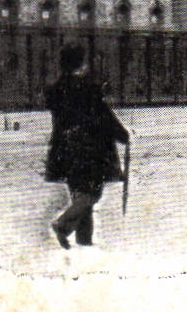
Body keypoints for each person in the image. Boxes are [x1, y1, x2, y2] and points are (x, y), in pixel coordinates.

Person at [45, 43, 129, 249]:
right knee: (91, 194)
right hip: (90, 150)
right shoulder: (88, 89)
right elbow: (104, 117)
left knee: (79, 193)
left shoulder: (56, 89)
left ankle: (83, 242)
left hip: (64, 148)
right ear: (81, 64)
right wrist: (123, 135)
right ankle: (63, 224)